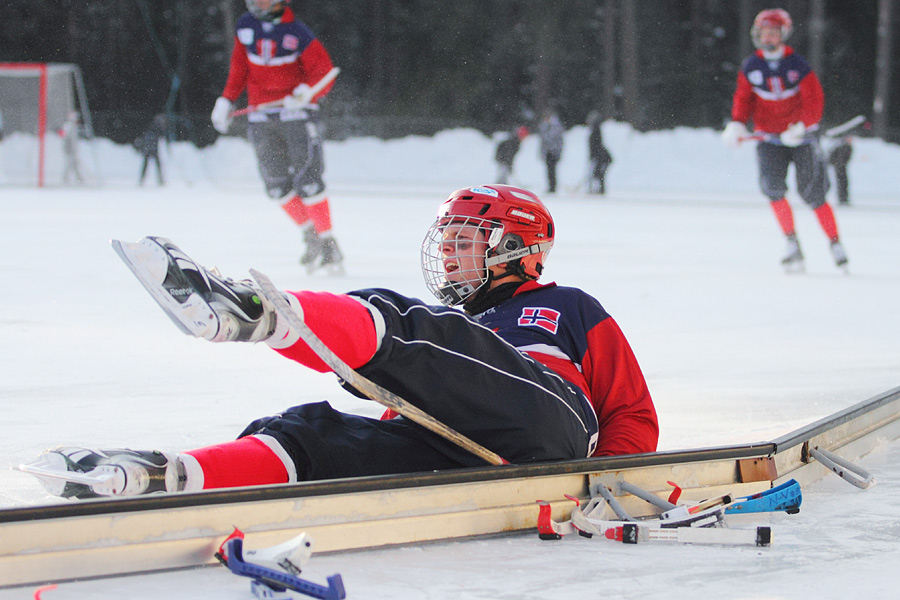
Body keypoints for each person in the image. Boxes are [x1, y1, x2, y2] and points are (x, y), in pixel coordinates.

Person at [27, 185, 659, 500]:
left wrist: (608, 482)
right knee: (313, 433)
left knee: (406, 326)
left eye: (465, 241)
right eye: (448, 240)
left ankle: (252, 313)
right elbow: (398, 390)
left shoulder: (567, 306)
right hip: (453, 448)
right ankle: (171, 477)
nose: (448, 253)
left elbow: (629, 410)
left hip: (548, 428)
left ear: (516, 251)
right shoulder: (448, 337)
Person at [210, 0, 343, 273]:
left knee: (308, 181)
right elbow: (239, 68)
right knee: (276, 185)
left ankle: (329, 243)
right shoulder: (246, 27)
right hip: (261, 116)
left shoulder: (298, 32)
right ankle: (311, 236)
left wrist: (306, 93)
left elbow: (324, 73)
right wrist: (226, 99)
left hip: (297, 115)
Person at [722, 8, 847, 271]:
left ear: (783, 35)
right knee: (773, 188)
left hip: (800, 138)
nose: (768, 38)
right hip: (769, 139)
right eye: (763, 33)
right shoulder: (751, 66)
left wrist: (803, 125)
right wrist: (736, 123)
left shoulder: (798, 65)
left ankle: (835, 242)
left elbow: (814, 99)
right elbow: (743, 98)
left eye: (773, 33)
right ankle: (792, 243)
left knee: (813, 192)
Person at [135, 114, 167, 187]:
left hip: (149, 147)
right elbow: (159, 136)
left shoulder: (153, 126)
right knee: (152, 164)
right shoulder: (156, 127)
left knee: (148, 165)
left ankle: (143, 179)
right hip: (151, 147)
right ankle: (159, 179)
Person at [586, 111, 612, 195]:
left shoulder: (595, 131)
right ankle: (599, 189)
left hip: (602, 157)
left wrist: (594, 156)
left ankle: (600, 189)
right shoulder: (595, 130)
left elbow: (595, 145)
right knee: (598, 173)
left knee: (599, 173)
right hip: (600, 156)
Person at [538, 111, 564, 193]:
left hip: (554, 152)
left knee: (553, 170)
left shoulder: (556, 126)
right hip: (548, 152)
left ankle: (553, 186)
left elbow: (559, 141)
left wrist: (558, 151)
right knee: (549, 170)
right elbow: (542, 141)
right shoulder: (544, 126)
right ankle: (550, 186)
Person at [58, 111, 85, 185]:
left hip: (73, 149)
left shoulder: (73, 126)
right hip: (70, 150)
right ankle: (66, 178)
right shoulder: (68, 126)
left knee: (74, 163)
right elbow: (64, 136)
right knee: (70, 164)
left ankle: (78, 178)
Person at [827, 136, 852, 206]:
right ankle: (842, 198)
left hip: (839, 162)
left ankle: (842, 198)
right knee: (841, 179)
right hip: (839, 162)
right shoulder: (838, 144)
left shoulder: (840, 144)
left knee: (841, 179)